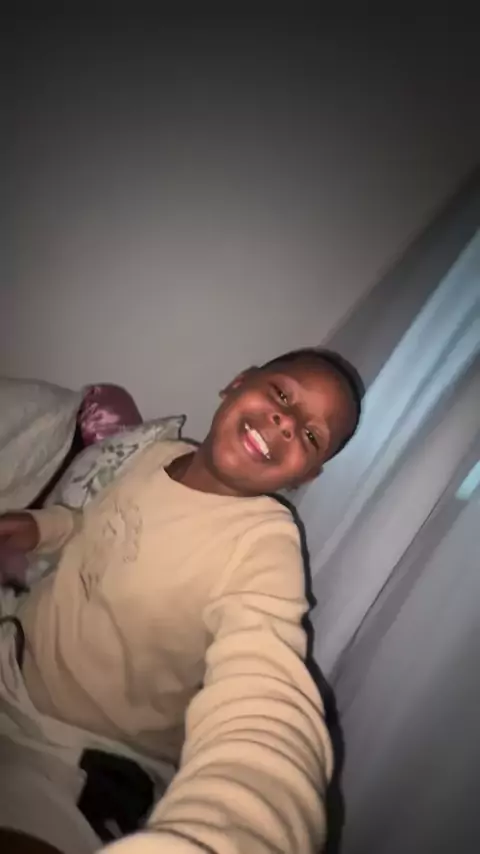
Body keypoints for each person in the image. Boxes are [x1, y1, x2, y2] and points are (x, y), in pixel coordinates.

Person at [0, 348, 363, 854]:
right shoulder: (156, 455)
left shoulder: (264, 542)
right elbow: (98, 525)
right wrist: (43, 527)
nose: (288, 422)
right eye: (283, 394)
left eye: (311, 436)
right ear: (237, 382)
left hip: (79, 752)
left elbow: (266, 675)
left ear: (306, 475)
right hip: (13, 658)